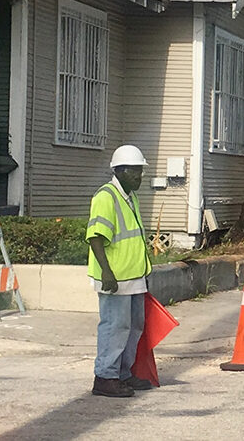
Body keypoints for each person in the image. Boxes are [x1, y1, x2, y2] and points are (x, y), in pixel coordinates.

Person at [87, 145, 154, 398]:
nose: (140, 176)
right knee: (115, 327)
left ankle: (123, 374)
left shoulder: (130, 196)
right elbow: (95, 237)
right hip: (115, 277)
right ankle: (105, 376)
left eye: (141, 171)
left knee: (133, 326)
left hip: (133, 276)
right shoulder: (106, 196)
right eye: (136, 171)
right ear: (121, 170)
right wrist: (106, 273)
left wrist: (144, 270)